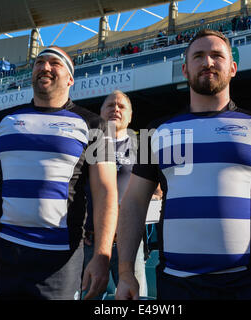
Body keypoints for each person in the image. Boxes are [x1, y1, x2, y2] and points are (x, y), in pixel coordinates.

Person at [115, 29, 251, 300]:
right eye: (198, 56)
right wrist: (126, 271)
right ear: (185, 70)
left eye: (216, 56)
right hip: (177, 284)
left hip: (248, 282)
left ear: (233, 68)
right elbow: (134, 203)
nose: (208, 62)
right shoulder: (158, 130)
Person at [0, 46, 118, 300]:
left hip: (58, 263)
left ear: (70, 79)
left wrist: (102, 255)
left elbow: (105, 191)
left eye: (54, 63)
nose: (45, 67)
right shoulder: (2, 120)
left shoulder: (97, 125)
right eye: (39, 62)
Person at [83, 90, 148, 298]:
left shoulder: (143, 145)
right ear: (100, 112)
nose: (115, 109)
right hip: (89, 241)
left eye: (121, 106)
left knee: (133, 297)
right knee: (87, 294)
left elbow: (157, 189)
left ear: (130, 116)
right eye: (110, 105)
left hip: (127, 242)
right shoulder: (86, 144)